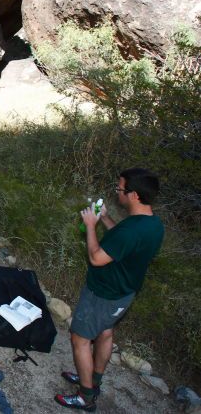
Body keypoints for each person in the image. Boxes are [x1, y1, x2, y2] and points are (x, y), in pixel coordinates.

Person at [55, 168, 164, 411]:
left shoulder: (132, 229)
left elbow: (96, 258)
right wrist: (104, 218)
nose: (117, 192)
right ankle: (93, 381)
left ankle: (86, 397)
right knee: (104, 333)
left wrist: (91, 225)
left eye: (120, 188)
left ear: (134, 195)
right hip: (124, 293)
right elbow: (123, 243)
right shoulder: (152, 223)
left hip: (103, 293)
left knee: (80, 339)